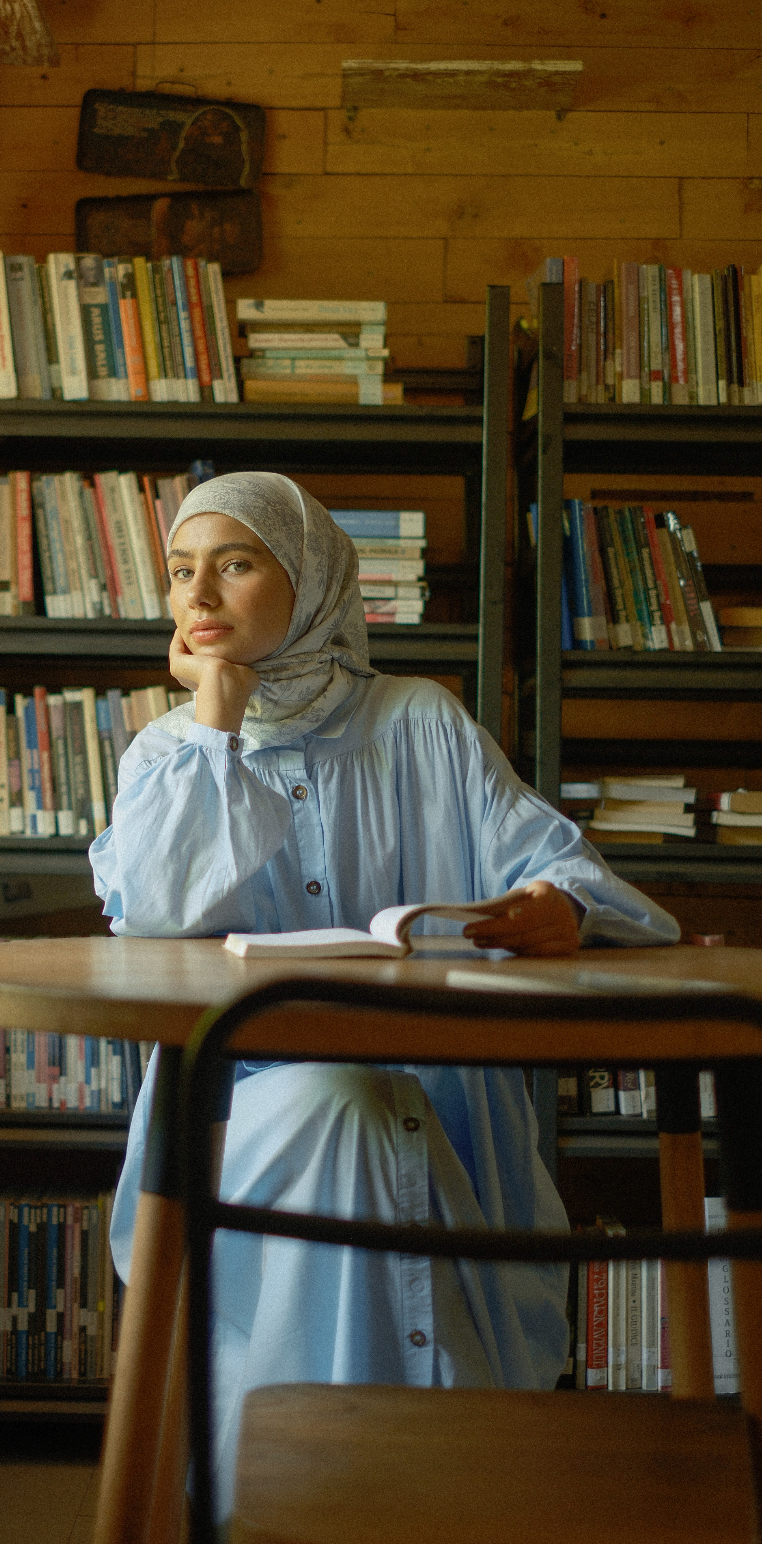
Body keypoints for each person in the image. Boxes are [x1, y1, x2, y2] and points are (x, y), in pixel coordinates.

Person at [88, 471, 679, 1517]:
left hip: (442, 1096)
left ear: (311, 577)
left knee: (371, 1107)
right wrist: (216, 722)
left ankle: (340, 1494)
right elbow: (151, 910)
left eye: (235, 562)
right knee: (343, 1109)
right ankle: (354, 1494)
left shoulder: (418, 723)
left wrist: (563, 909)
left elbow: (566, 865)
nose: (199, 595)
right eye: (182, 571)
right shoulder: (166, 753)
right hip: (238, 1109)